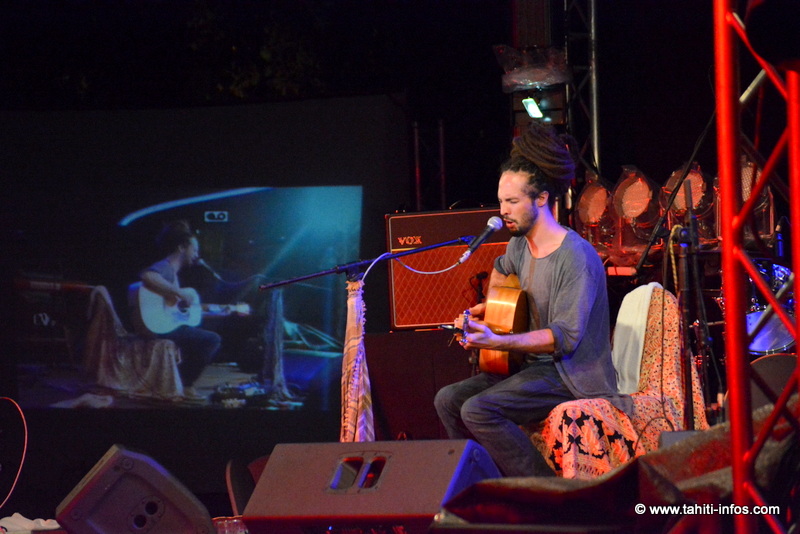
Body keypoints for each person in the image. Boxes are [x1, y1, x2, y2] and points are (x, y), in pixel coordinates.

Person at [434, 122, 631, 477]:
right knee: (448, 400)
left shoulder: (576, 257)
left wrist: (500, 340)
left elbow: (564, 337)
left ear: (541, 199)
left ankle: (545, 497)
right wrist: (492, 309)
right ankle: (485, 490)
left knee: (478, 409)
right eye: (501, 202)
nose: (503, 211)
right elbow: (499, 268)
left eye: (512, 201)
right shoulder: (517, 245)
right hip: (531, 367)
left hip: (570, 374)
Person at [134, 220, 222, 401]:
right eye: (194, 250)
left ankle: (178, 382)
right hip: (156, 328)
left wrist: (217, 312)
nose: (197, 255)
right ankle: (185, 384)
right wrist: (178, 292)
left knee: (197, 335)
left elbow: (173, 311)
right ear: (182, 247)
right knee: (211, 340)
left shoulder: (172, 273)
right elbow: (147, 276)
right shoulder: (165, 267)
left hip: (163, 325)